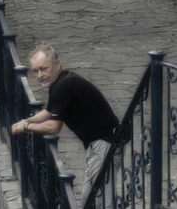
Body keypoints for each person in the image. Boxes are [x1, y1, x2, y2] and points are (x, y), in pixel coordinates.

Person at [15, 44, 120, 179]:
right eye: (35, 71)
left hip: (104, 142)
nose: (40, 75)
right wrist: (25, 121)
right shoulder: (61, 81)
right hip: (98, 143)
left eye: (43, 69)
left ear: (57, 65)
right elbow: (48, 112)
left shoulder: (63, 86)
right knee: (91, 197)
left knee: (100, 198)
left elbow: (53, 127)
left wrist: (25, 127)